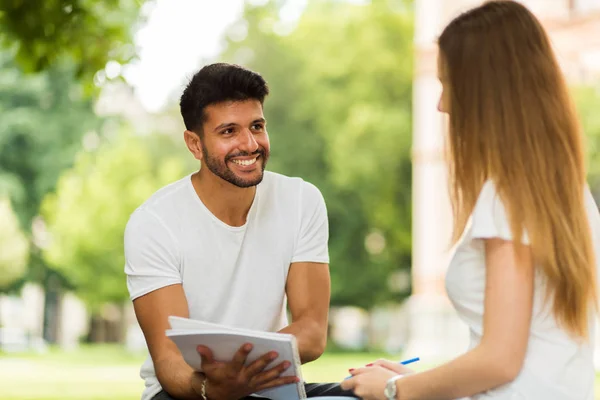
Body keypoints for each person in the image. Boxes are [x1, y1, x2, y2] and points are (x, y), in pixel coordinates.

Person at [341, 1, 600, 399]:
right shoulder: (564, 190)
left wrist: (394, 390)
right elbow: (525, 357)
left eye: (448, 84)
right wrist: (412, 380)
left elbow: (500, 361)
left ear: (485, 91)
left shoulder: (509, 192)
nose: (441, 104)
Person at [124, 63, 353, 400]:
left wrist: (242, 373)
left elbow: (312, 331)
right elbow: (168, 358)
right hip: (188, 392)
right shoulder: (154, 223)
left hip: (267, 385)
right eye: (228, 131)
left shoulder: (302, 200)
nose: (249, 144)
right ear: (195, 144)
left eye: (257, 126)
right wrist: (214, 387)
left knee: (363, 394)